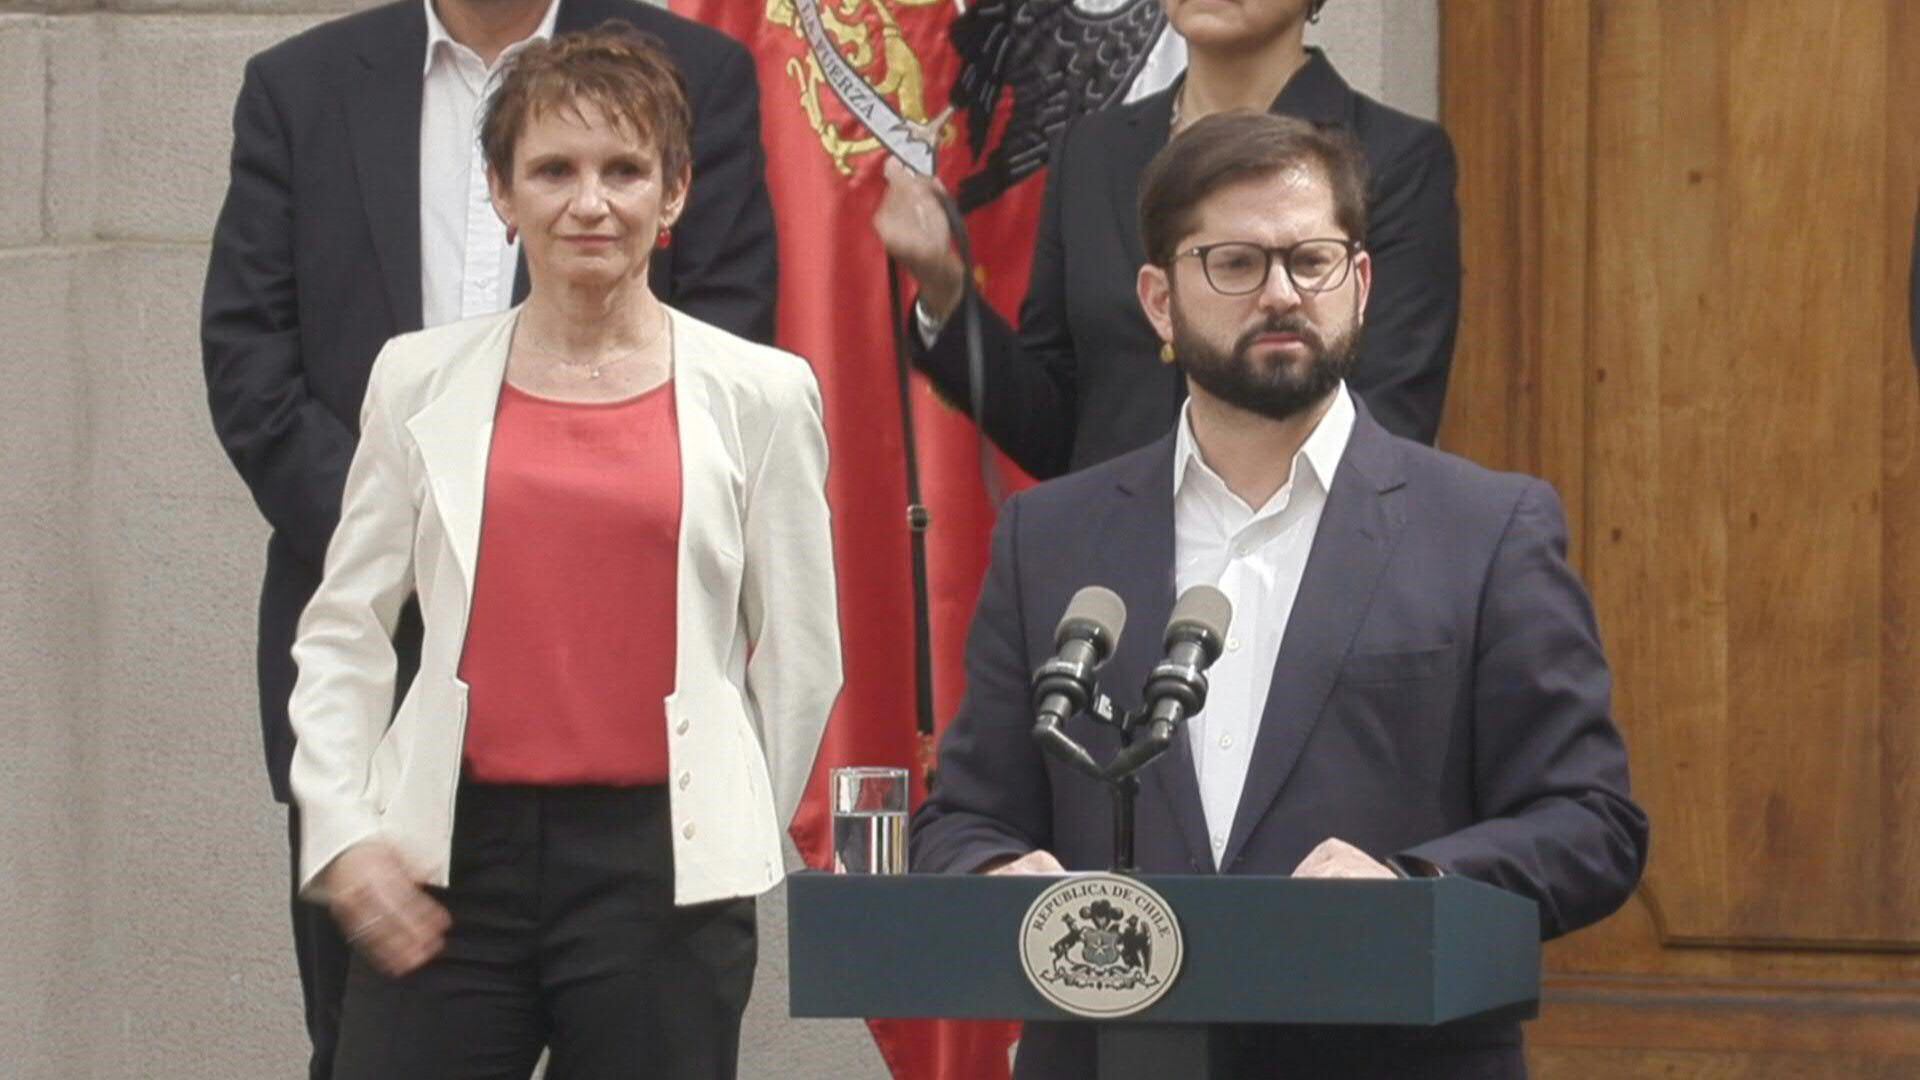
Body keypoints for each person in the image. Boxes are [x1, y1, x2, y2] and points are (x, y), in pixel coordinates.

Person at [909, 111, 1646, 1079]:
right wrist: (996, 874)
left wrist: (1413, 882)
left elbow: (1593, 820)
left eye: (1312, 260)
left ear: (1362, 284)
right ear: (1159, 301)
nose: (1283, 293)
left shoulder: (1485, 530)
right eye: (1236, 264)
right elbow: (964, 818)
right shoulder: (1053, 539)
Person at [198, 1, 775, 1074]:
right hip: (384, 717)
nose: (588, 201)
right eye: (552, 173)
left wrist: (740, 815)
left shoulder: (694, 70)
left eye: (621, 174)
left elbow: (730, 343)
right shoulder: (298, 85)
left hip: (636, 758)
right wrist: (444, 542)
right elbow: (251, 364)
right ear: (503, 192)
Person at [873, 0, 1460, 479]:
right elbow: (1058, 432)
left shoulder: (1391, 157)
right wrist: (945, 289)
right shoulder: (1094, 151)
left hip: (1298, 571)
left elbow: (1390, 423)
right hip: (1110, 578)